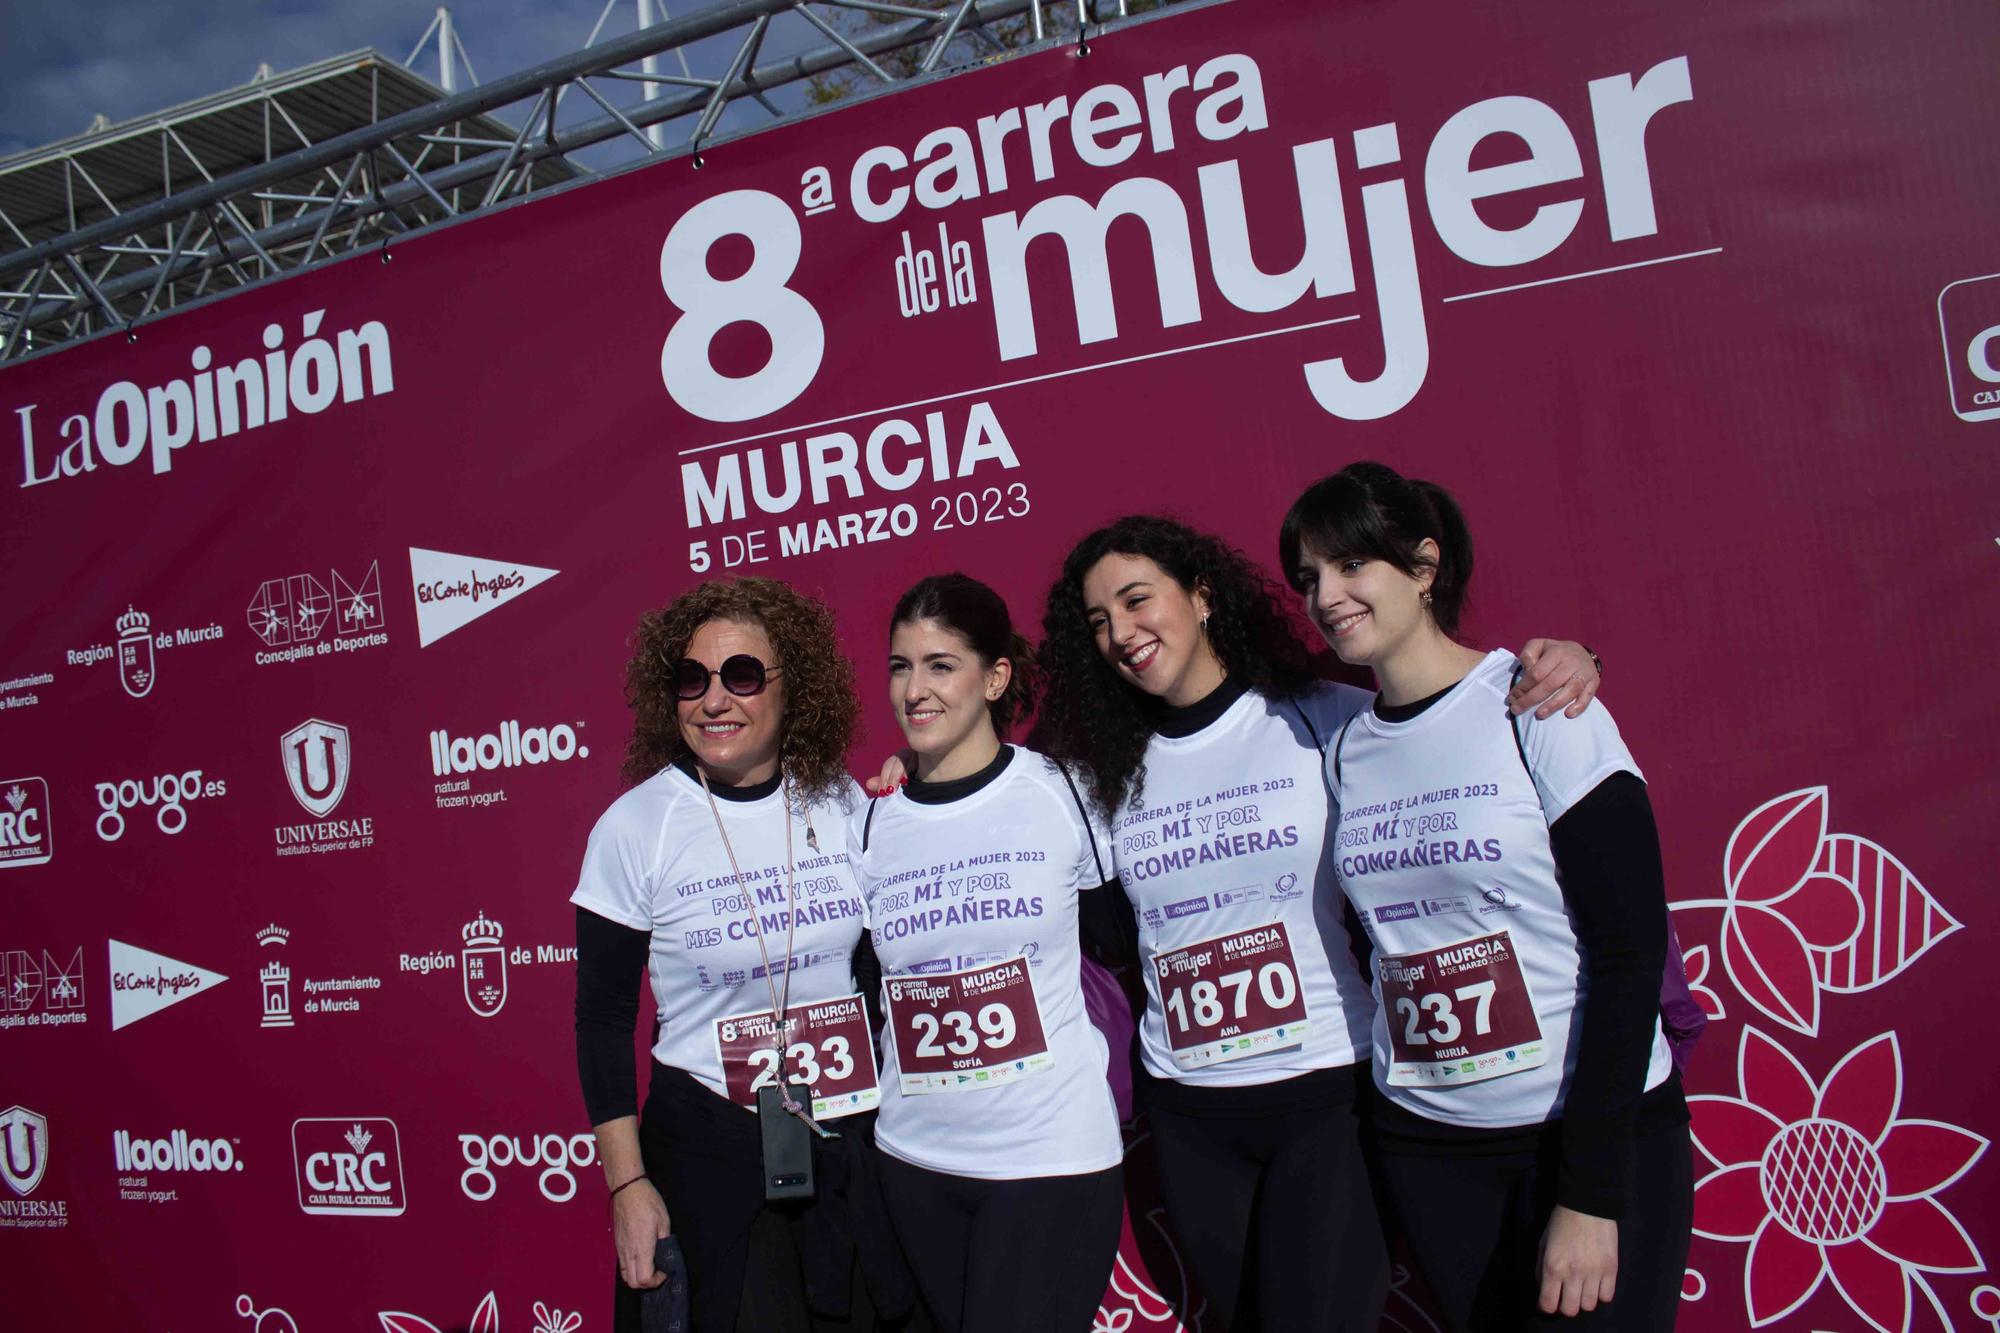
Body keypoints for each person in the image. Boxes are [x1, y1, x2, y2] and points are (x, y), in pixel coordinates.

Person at [1033, 515, 1602, 1332]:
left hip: (1327, 1101)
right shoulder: (1099, 773)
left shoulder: (1327, 719)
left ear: (1199, 596)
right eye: (1098, 623)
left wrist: (1574, 662)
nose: (1122, 634)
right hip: (1194, 1119)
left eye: (1136, 600)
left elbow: (1462, 714)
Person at [1283, 462, 1689, 1331]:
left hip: (1575, 1140)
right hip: (1430, 1147)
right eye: (1310, 577)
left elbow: (1629, 952)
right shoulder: (1345, 746)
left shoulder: (1539, 704)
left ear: (1425, 566)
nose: (1327, 595)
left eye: (1352, 565)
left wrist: (1589, 1194)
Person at [570, 578, 916, 1333]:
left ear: (795, 687)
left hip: (849, 1152)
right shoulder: (637, 828)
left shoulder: (843, 803)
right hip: (712, 1165)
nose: (714, 699)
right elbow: (602, 1022)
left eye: (743, 676)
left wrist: (912, 793)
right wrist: (626, 1184)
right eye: (692, 680)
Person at [848, 574, 1124, 1333]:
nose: (915, 688)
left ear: (995, 676)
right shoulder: (867, 824)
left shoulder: (1064, 792)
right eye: (901, 666)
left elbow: (1126, 939)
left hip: (1046, 1159)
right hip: (915, 1161)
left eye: (940, 664)